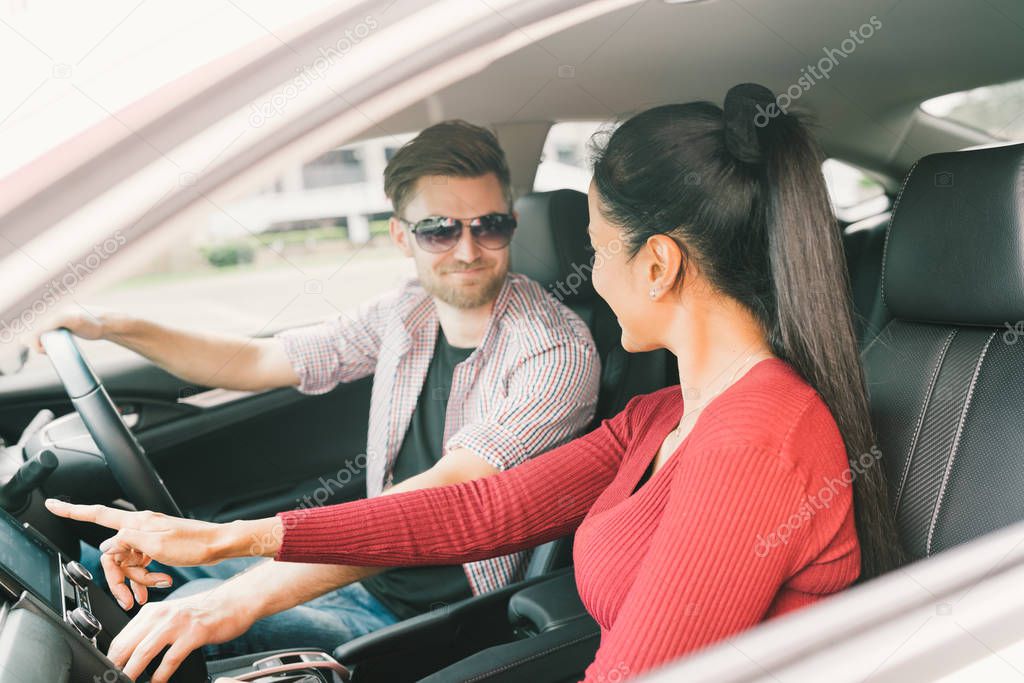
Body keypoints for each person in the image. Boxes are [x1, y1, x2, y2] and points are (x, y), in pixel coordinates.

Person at [47, 83, 905, 683]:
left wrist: (241, 566)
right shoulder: (664, 414)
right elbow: (480, 512)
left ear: (658, 264)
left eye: (598, 248)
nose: (589, 275)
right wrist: (227, 540)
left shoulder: (756, 446)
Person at [36, 121, 600, 657]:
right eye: (439, 230)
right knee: (86, 571)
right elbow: (257, 359)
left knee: (171, 623)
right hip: (353, 566)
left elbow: (447, 494)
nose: (468, 250)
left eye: (489, 225)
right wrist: (111, 325)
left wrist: (227, 576)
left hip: (430, 616)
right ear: (402, 237)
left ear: (511, 226)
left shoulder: (555, 352)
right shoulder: (410, 310)